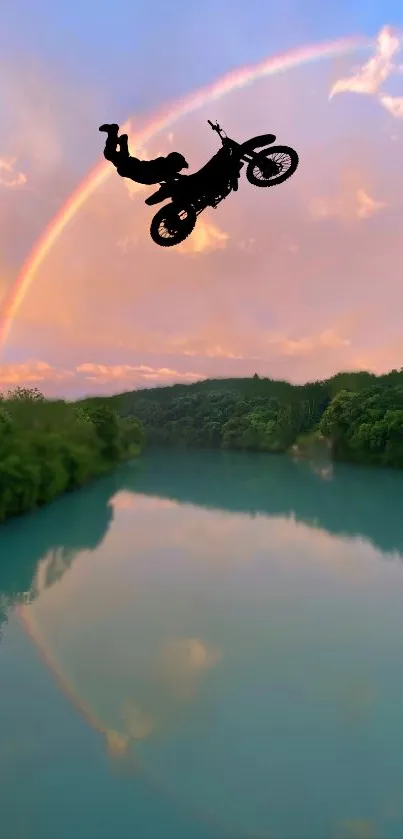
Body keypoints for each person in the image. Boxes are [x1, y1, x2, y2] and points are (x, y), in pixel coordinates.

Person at [99, 123, 189, 185]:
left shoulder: (166, 169)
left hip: (134, 168)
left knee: (115, 156)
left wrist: (181, 178)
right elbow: (170, 177)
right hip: (135, 167)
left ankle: (122, 142)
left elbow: (173, 176)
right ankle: (114, 133)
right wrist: (181, 179)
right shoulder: (165, 169)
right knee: (110, 155)